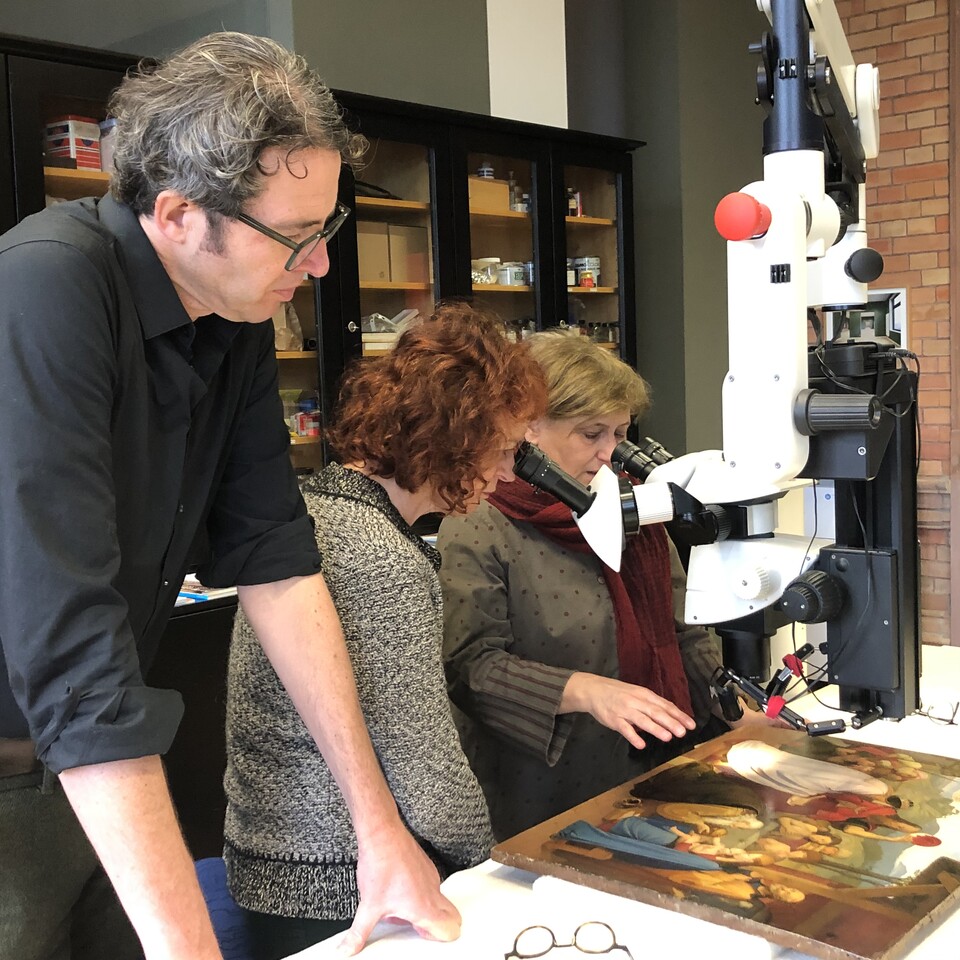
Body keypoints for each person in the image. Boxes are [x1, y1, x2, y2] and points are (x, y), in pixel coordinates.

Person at [0, 32, 452, 960]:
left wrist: (378, 831)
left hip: (91, 769)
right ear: (174, 215)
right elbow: (70, 643)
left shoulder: (233, 311)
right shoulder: (45, 288)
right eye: (297, 237)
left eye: (327, 230)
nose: (319, 266)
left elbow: (276, 559)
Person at [223, 305, 547, 960]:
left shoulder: (316, 507)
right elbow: (420, 758)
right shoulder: (380, 558)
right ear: (456, 436)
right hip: (335, 883)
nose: (510, 472)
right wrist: (495, 864)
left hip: (272, 859)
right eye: (505, 449)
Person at [438, 330, 771, 841]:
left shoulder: (633, 510)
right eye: (591, 434)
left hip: (655, 765)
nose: (608, 453)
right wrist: (585, 691)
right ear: (529, 428)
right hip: (545, 784)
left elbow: (683, 634)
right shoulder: (479, 523)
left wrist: (735, 709)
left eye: (619, 434)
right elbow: (470, 667)